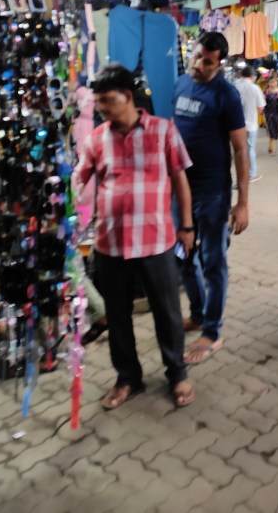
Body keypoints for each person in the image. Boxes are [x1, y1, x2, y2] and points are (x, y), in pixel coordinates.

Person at [73, 63, 195, 410]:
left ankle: (177, 372)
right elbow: (80, 180)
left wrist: (187, 227)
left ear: (127, 96)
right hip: (110, 243)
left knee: (167, 312)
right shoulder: (96, 139)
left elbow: (180, 180)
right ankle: (128, 378)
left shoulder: (163, 131)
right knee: (118, 314)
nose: (101, 108)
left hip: (156, 242)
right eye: (98, 102)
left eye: (107, 101)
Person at [172, 32, 249, 364]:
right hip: (180, 190)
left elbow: (240, 149)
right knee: (183, 255)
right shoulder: (180, 84)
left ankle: (213, 331)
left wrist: (242, 202)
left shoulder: (226, 95)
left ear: (219, 64)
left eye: (207, 62)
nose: (199, 65)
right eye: (197, 56)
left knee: (213, 261)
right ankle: (198, 314)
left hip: (212, 192)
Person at [235, 65, 266, 182]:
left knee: (239, 150)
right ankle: (252, 173)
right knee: (250, 148)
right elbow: (261, 107)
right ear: (252, 76)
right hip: (251, 124)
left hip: (236, 125)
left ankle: (242, 173)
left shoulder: (235, 86)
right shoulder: (255, 88)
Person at [263, 77, 278, 155]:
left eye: (274, 82)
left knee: (276, 128)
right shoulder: (266, 92)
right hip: (268, 113)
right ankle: (271, 148)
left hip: (277, 113)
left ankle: (271, 145)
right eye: (271, 82)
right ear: (268, 83)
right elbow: (263, 102)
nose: (272, 84)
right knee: (271, 129)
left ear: (277, 83)